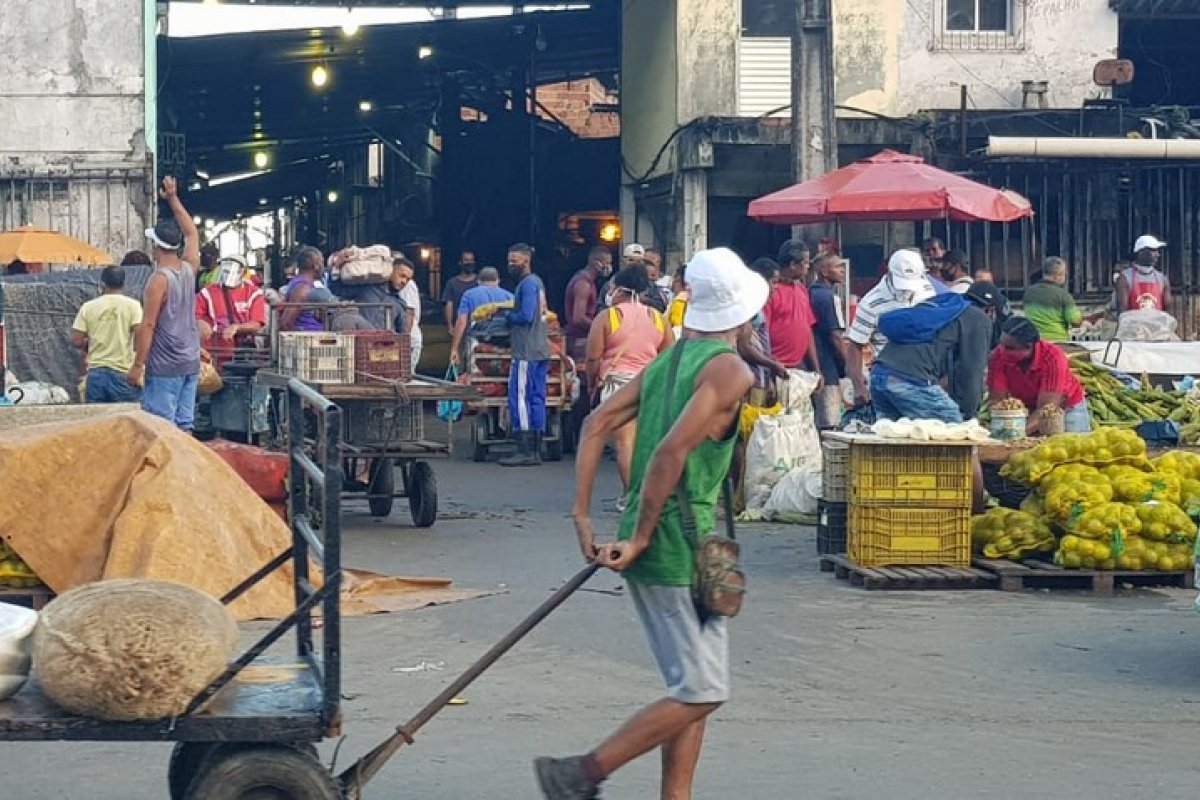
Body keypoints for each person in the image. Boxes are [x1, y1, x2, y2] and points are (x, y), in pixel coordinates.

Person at [546, 247, 770, 800]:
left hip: (670, 539)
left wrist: (581, 513)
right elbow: (670, 453)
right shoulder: (727, 369)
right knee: (703, 692)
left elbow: (597, 423)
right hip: (676, 544)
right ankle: (581, 772)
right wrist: (642, 535)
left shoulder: (671, 361)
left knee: (690, 688)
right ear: (741, 315)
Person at [585, 265, 674, 504]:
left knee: (625, 444)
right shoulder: (658, 318)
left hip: (618, 386)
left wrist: (591, 383)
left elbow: (593, 357)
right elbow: (668, 355)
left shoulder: (607, 317)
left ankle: (632, 497)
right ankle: (651, 494)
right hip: (651, 385)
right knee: (649, 444)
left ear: (618, 289)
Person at [129, 176, 202, 431]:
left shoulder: (158, 281)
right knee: (184, 427)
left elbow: (148, 325)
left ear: (156, 247)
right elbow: (191, 232)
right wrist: (172, 198)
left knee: (161, 430)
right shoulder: (189, 269)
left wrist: (138, 365)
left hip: (164, 367)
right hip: (190, 362)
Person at [868, 285, 993, 424]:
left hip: (879, 374)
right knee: (955, 431)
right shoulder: (978, 317)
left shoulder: (943, 305)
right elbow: (971, 371)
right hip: (910, 380)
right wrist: (969, 416)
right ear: (990, 310)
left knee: (894, 436)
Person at [846, 249, 939, 408]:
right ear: (889, 273)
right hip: (889, 376)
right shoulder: (871, 302)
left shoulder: (927, 289)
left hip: (923, 374)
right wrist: (858, 386)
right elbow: (855, 344)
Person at [988, 317, 1090, 435]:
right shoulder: (997, 356)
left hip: (1065, 408)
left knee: (1072, 447)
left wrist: (1017, 433)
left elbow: (1047, 408)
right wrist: (1002, 429)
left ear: (1028, 346)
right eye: (1001, 344)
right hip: (1026, 408)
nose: (1002, 350)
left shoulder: (1052, 358)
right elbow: (997, 400)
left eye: (1010, 348)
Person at [500, 243, 551, 467]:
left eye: (514, 261)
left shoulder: (527, 284)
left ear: (526, 261)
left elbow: (527, 315)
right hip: (540, 349)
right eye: (509, 260)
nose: (511, 264)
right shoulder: (537, 282)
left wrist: (509, 316)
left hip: (526, 351)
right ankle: (537, 447)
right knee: (537, 398)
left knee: (519, 397)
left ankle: (525, 449)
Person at [71, 266, 143, 403]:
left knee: (98, 421)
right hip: (123, 373)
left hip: (95, 375)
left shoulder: (88, 307)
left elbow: (76, 340)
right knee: (125, 420)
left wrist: (90, 343)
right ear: (123, 284)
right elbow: (140, 336)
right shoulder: (133, 306)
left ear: (102, 283)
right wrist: (138, 364)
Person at [760, 250, 821, 375]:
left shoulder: (801, 289)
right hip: (776, 366)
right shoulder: (771, 292)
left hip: (800, 366)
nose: (808, 266)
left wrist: (816, 369)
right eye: (805, 263)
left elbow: (807, 329)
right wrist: (770, 364)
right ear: (793, 264)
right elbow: (762, 333)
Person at [195, 255, 267, 359]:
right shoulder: (207, 292)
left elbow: (256, 323)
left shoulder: (254, 293)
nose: (227, 273)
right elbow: (196, 315)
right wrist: (200, 323)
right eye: (224, 269)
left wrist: (237, 328)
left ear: (242, 271)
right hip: (213, 353)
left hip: (242, 355)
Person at [809, 253, 848, 428]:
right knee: (830, 422)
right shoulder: (829, 298)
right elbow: (836, 337)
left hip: (811, 364)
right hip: (828, 366)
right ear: (824, 272)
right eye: (838, 267)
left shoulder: (809, 293)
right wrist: (847, 364)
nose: (842, 270)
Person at [449, 267, 514, 367]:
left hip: (477, 340)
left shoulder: (469, 295)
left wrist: (454, 349)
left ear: (478, 281)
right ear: (498, 280)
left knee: (476, 372)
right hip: (504, 342)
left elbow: (462, 321)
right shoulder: (509, 296)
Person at [564, 246, 612, 361]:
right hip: (580, 340)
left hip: (581, 339)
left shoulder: (588, 281)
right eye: (607, 263)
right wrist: (600, 328)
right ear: (597, 263)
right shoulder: (583, 284)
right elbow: (578, 318)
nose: (609, 267)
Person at [1023, 257, 1086, 342]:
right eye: (1064, 273)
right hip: (1057, 342)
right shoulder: (1063, 295)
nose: (1066, 275)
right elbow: (1076, 322)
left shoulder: (1029, 293)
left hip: (1034, 342)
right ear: (1058, 275)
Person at [1116, 234, 1172, 313]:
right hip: (1134, 325)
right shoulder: (1125, 278)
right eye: (1153, 251)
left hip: (1157, 325)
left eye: (1157, 251)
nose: (1157, 255)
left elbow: (1168, 310)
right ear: (1141, 252)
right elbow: (1122, 310)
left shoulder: (1162, 278)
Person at [280, 247, 332, 332]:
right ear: (316, 266)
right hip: (307, 341)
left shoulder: (304, 285)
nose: (323, 266)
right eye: (322, 262)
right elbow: (286, 323)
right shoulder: (302, 289)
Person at [391, 256, 423, 368]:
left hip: (410, 341)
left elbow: (409, 313)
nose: (404, 281)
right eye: (402, 276)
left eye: (407, 278)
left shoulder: (409, 286)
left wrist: (405, 344)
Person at [441, 250, 479, 330]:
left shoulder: (480, 281)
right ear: (460, 263)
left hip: (478, 325)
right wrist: (450, 325)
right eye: (466, 260)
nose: (470, 263)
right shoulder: (452, 283)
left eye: (471, 260)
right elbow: (449, 304)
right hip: (459, 325)